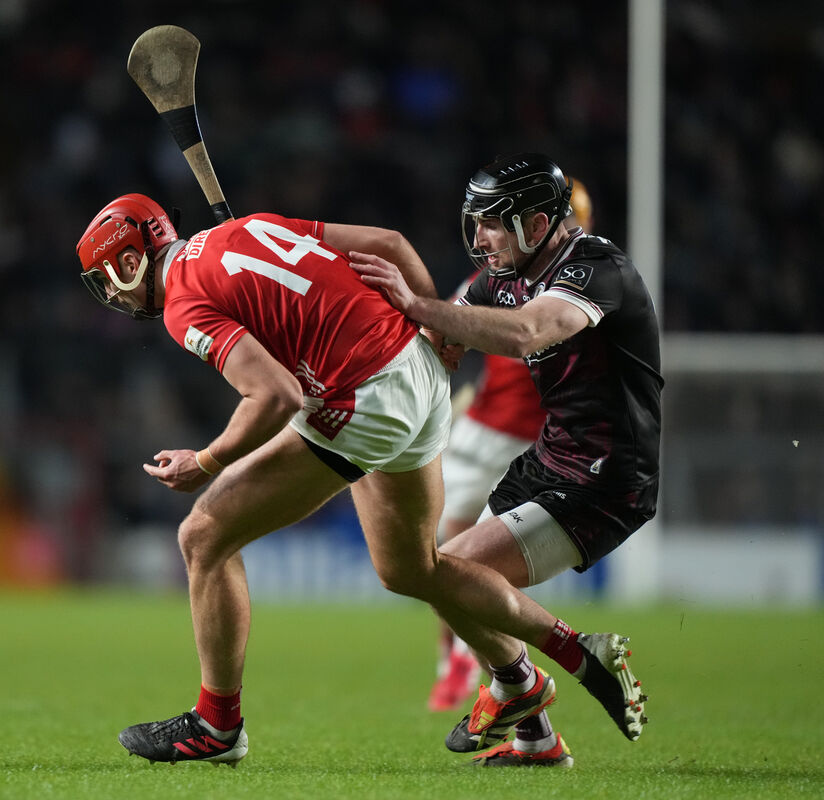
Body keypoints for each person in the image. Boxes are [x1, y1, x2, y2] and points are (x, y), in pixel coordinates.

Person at [75, 191, 646, 769]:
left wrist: (208, 461)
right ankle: (555, 675)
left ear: (128, 262)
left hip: (364, 399)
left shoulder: (182, 304)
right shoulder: (245, 227)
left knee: (203, 536)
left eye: (107, 281)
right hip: (419, 368)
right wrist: (438, 332)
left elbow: (275, 396)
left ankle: (216, 727)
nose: (114, 297)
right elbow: (391, 244)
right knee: (412, 568)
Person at [350, 153, 658, 767]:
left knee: (442, 571)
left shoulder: (597, 269)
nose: (480, 237)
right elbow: (449, 327)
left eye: (492, 223)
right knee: (442, 576)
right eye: (476, 222)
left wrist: (420, 306)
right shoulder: (504, 276)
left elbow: (526, 333)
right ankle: (536, 739)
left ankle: (566, 661)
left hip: (607, 477)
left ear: (539, 223)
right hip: (549, 460)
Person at [429, 177, 595, 713]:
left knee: (476, 560)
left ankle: (508, 675)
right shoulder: (490, 279)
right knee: (439, 555)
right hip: (481, 431)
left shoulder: (585, 286)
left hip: (538, 443)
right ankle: (453, 663)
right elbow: (446, 326)